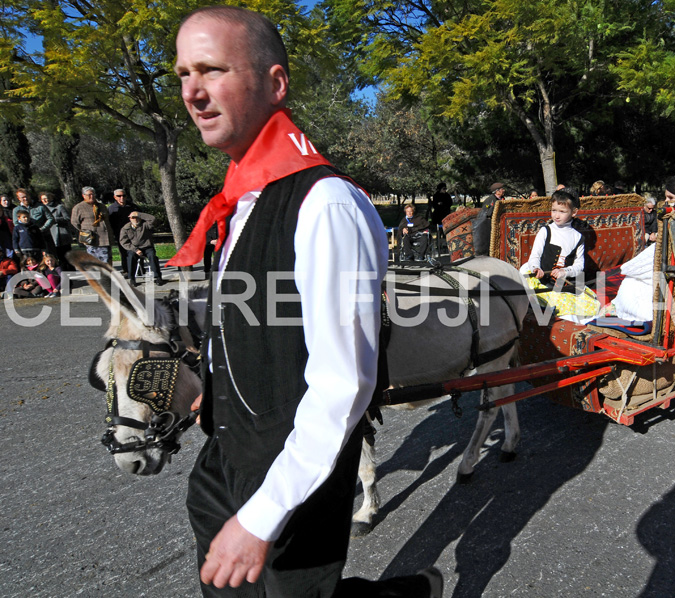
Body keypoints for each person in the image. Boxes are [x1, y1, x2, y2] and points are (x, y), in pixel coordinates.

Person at [167, 7, 441, 597]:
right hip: (225, 459)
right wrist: (211, 389)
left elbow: (343, 385)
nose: (192, 91)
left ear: (275, 83)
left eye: (213, 70)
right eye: (183, 73)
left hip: (292, 474)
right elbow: (252, 322)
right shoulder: (238, 202)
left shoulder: (326, 205)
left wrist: (264, 515)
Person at [519, 190, 600, 324]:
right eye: (554, 210)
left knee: (590, 307)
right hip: (542, 283)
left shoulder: (578, 237)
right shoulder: (545, 231)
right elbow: (535, 256)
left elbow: (579, 266)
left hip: (562, 286)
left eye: (562, 211)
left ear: (574, 212)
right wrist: (535, 268)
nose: (556, 215)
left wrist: (565, 271)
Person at [119, 211, 164, 285]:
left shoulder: (145, 225)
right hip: (134, 248)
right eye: (133, 218)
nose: (135, 219)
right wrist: (135, 250)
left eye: (137, 217)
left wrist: (139, 214)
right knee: (130, 257)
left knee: (152, 256)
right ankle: (132, 278)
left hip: (147, 247)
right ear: (129, 218)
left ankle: (158, 277)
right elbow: (124, 242)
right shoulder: (125, 228)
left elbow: (153, 219)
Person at [71, 186, 114, 264]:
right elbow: (75, 222)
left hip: (105, 238)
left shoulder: (101, 206)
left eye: (93, 194)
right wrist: (85, 231)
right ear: (83, 195)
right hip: (92, 239)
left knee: (107, 261)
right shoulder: (78, 208)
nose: (92, 196)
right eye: (89, 195)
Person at [40, 192, 74, 270]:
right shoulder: (42, 209)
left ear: (51, 198)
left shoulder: (59, 207)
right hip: (51, 235)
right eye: (43, 199)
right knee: (57, 256)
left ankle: (71, 271)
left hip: (62, 235)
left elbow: (67, 218)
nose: (45, 200)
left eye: (46, 198)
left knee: (67, 255)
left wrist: (53, 220)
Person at [107, 188, 136, 277]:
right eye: (119, 196)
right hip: (120, 234)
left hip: (134, 233)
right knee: (124, 253)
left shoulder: (133, 207)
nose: (121, 198)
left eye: (123, 195)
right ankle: (126, 270)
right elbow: (109, 223)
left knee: (136, 251)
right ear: (115, 197)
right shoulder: (111, 209)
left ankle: (138, 269)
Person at [473, 182, 505, 255]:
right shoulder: (490, 200)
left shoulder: (502, 199)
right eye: (502, 189)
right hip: (489, 226)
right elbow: (486, 214)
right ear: (497, 191)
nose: (504, 190)